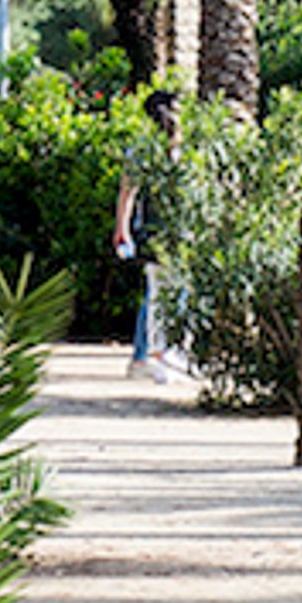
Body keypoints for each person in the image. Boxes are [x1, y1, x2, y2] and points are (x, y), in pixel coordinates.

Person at [113, 88, 184, 384]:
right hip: (177, 231)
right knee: (170, 294)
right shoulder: (181, 150)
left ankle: (149, 356)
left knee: (156, 294)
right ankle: (160, 356)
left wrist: (122, 228)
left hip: (156, 231)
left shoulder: (142, 149)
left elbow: (127, 193)